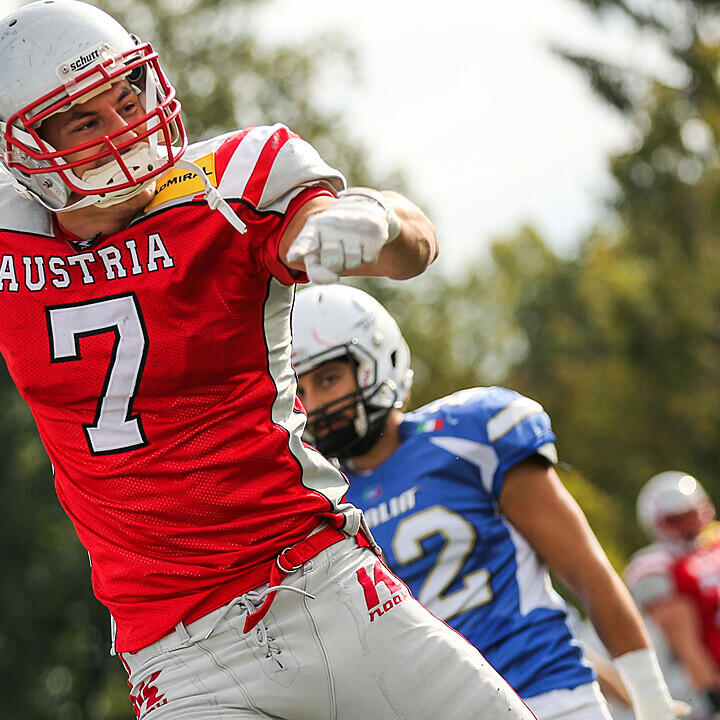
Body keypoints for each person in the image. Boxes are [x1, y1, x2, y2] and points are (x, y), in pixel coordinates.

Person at [0, 2, 537, 719]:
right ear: (26, 147)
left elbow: (410, 244)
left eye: (128, 97)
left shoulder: (225, 186)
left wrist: (368, 217)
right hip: (183, 657)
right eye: (88, 120)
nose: (126, 128)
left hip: (330, 586)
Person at [292, 282, 682, 720]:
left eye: (328, 378)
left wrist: (653, 705)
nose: (315, 404)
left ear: (377, 361)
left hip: (550, 697)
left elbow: (587, 573)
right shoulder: (319, 499)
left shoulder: (471, 434)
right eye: (300, 390)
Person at [625, 471, 720, 718]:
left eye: (693, 514)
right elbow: (685, 642)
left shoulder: (714, 546)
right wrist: (713, 693)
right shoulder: (654, 566)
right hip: (699, 690)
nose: (691, 525)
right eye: (679, 519)